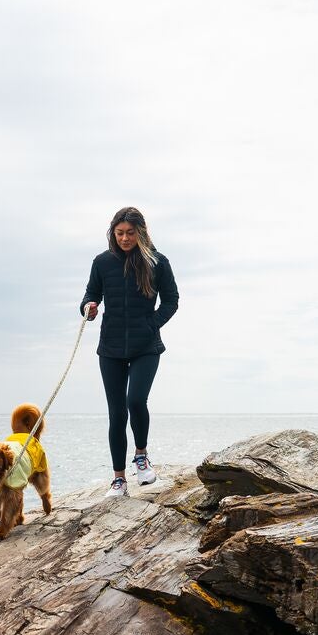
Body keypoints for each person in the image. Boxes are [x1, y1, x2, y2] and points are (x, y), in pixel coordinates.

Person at [81, 206, 179, 497]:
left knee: (136, 401)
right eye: (120, 233)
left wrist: (152, 323)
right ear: (113, 232)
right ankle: (119, 480)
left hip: (145, 346)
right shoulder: (102, 262)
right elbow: (90, 294)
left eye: (130, 233)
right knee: (116, 414)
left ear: (141, 233)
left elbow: (172, 300)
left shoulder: (157, 262)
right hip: (110, 348)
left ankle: (141, 456)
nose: (124, 238)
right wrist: (88, 308)